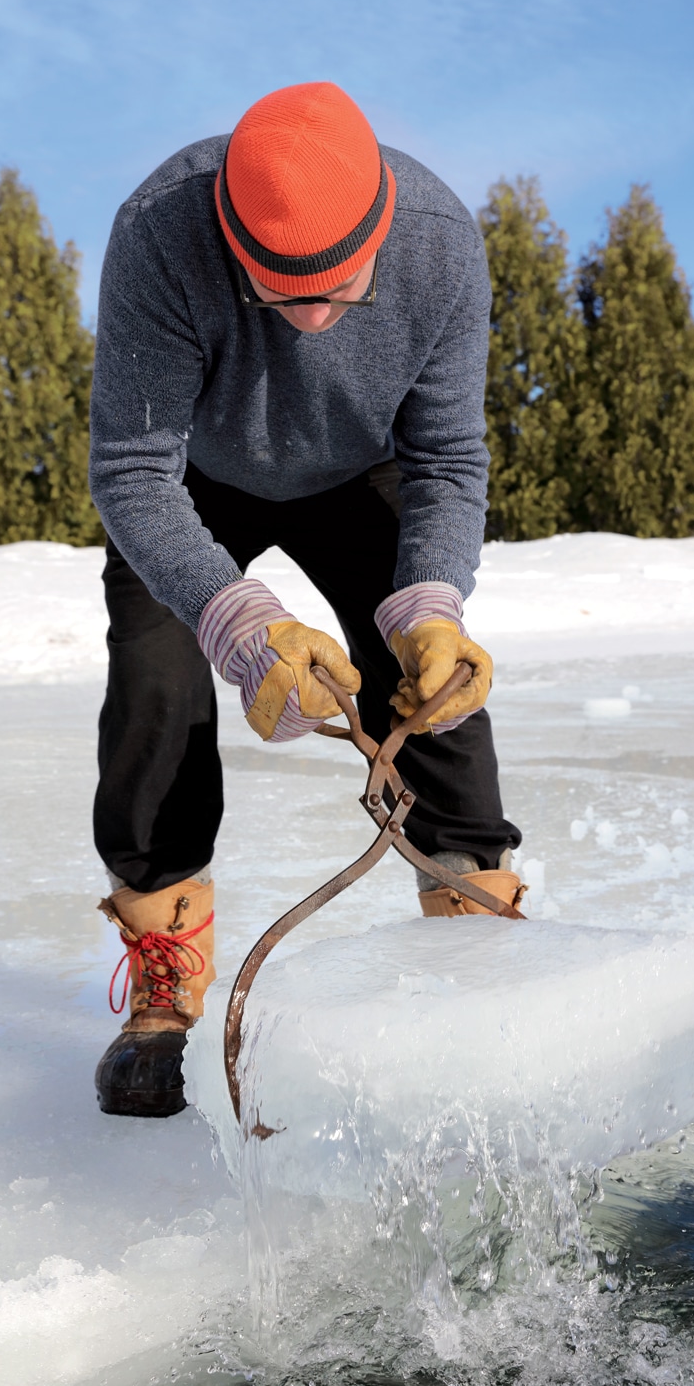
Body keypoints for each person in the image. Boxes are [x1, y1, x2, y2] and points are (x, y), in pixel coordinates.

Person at [88, 81, 523, 1118]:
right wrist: (240, 624)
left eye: (340, 290)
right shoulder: (159, 232)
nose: (317, 320)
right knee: (154, 682)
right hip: (192, 476)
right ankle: (164, 977)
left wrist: (430, 606)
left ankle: (475, 928)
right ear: (233, 243)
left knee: (435, 696)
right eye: (284, 296)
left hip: (360, 474)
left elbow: (448, 457)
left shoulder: (439, 243)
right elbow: (132, 469)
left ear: (380, 231)